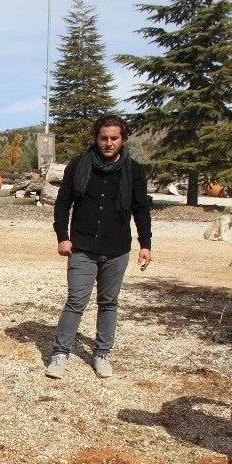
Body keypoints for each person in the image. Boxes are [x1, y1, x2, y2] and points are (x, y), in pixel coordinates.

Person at [45, 115, 152, 379]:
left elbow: (141, 210)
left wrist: (145, 244)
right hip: (82, 246)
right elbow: (63, 203)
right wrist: (63, 236)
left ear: (123, 139)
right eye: (104, 137)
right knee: (76, 301)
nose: (108, 143)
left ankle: (102, 354)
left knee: (109, 303)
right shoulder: (79, 165)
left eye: (114, 138)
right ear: (97, 138)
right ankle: (60, 353)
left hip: (117, 249)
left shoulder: (134, 170)